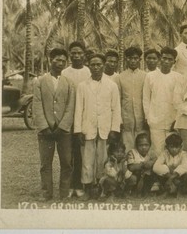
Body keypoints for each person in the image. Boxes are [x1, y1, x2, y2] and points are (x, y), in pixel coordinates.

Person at [74, 54, 122, 200]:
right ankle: (88, 188)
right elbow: (78, 109)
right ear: (89, 65)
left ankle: (103, 189)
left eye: (99, 64)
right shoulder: (82, 86)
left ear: (103, 65)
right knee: (87, 160)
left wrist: (114, 129)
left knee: (103, 159)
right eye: (93, 64)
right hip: (87, 127)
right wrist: (78, 130)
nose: (96, 67)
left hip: (105, 128)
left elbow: (116, 108)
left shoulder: (112, 85)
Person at [33, 48, 75, 201]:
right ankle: (46, 193)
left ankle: (64, 193)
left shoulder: (69, 83)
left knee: (66, 163)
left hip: (63, 131)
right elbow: (37, 105)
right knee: (45, 164)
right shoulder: (39, 82)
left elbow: (71, 107)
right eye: (57, 60)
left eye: (63, 61)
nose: (60, 63)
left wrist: (63, 126)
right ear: (50, 60)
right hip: (46, 131)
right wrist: (44, 126)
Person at [62, 41, 91, 198]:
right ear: (69, 55)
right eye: (73, 53)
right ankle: (69, 185)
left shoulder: (89, 71)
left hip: (85, 118)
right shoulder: (65, 73)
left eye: (80, 53)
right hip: (68, 118)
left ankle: (79, 183)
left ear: (84, 54)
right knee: (68, 154)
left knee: (81, 153)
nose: (77, 56)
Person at [143, 47, 182, 156]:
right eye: (164, 58)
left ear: (174, 62)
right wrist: (148, 118)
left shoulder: (178, 77)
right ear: (160, 59)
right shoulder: (150, 76)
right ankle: (158, 172)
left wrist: (177, 119)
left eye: (170, 59)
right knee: (157, 151)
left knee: (173, 151)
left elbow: (180, 101)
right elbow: (146, 99)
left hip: (172, 120)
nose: (166, 61)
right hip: (155, 120)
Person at [117, 46, 147, 152]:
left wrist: (147, 117)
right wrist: (119, 119)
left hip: (141, 116)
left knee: (142, 143)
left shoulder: (145, 76)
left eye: (135, 58)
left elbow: (147, 98)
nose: (133, 61)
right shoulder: (120, 77)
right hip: (126, 117)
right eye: (130, 58)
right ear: (126, 59)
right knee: (127, 144)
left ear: (139, 59)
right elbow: (118, 99)